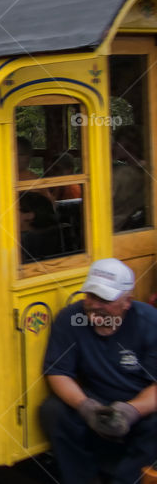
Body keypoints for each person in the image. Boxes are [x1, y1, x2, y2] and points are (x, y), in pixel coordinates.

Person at [40, 258, 157, 483]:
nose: (94, 305)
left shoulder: (150, 323)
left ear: (127, 302)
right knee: (53, 410)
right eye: (91, 296)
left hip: (140, 403)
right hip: (97, 399)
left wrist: (131, 411)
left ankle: (126, 479)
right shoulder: (70, 319)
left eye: (104, 299)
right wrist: (86, 407)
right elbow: (58, 372)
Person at [112, 126, 147, 230]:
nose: (113, 147)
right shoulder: (148, 169)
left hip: (117, 231)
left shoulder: (121, 174)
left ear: (128, 146)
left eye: (116, 143)